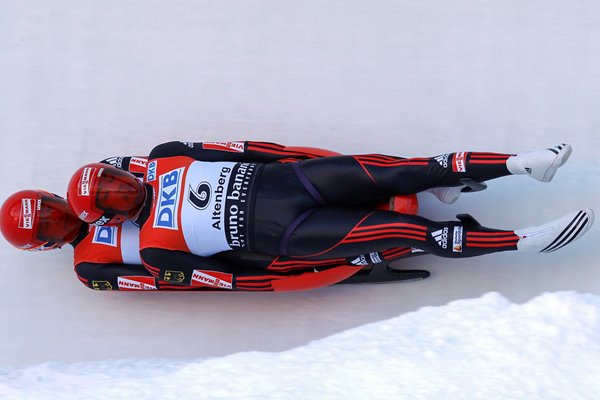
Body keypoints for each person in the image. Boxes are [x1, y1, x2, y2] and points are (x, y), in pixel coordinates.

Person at [66, 141, 594, 290]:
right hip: (291, 233)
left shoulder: (166, 157)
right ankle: (523, 241)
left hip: (295, 180)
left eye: (116, 181)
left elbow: (248, 151)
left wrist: (305, 158)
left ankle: (522, 164)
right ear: (110, 217)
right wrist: (290, 275)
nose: (122, 189)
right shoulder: (156, 248)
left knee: (408, 168)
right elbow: (225, 279)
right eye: (112, 196)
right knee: (412, 232)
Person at [1, 145, 441, 291]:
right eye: (51, 227)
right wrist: (233, 281)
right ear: (49, 245)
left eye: (53, 211)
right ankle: (363, 252)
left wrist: (292, 158)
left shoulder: (105, 171)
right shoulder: (89, 267)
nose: (61, 220)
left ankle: (403, 179)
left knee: (292, 174)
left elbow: (191, 159)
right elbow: (169, 282)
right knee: (265, 253)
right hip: (228, 246)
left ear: (56, 195)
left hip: (245, 194)